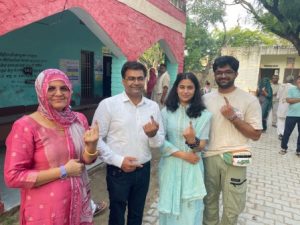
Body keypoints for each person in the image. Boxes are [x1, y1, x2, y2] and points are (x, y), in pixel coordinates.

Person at [4, 69, 99, 225]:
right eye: (51, 88)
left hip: (77, 203)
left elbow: (84, 162)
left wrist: (92, 145)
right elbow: (13, 176)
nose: (58, 93)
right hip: (46, 212)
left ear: (70, 91)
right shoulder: (26, 126)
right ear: (41, 92)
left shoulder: (78, 120)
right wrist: (63, 171)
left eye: (64, 88)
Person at [93, 61, 164, 225]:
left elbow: (158, 143)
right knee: (117, 214)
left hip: (143, 169)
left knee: (137, 214)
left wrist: (152, 135)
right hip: (118, 171)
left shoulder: (153, 107)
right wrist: (119, 161)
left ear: (145, 80)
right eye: (131, 78)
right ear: (123, 80)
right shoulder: (109, 105)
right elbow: (95, 139)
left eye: (140, 78)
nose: (136, 82)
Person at [203, 56, 262, 225]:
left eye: (228, 72)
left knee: (233, 205)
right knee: (209, 201)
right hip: (209, 157)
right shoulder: (205, 99)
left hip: (238, 156)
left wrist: (233, 118)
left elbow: (256, 135)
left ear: (236, 73)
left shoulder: (249, 100)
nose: (223, 76)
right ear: (214, 74)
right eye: (219, 72)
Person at [158, 72, 211, 225]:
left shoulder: (204, 115)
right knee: (169, 206)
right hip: (171, 165)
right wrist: (183, 155)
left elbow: (202, 145)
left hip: (192, 166)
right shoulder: (166, 112)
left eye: (190, 87)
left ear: (196, 90)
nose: (185, 91)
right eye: (182, 87)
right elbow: (160, 141)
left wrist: (192, 141)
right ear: (176, 89)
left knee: (190, 209)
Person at [279, 75, 300, 156]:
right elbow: (288, 100)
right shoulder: (292, 89)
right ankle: (283, 148)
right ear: (297, 81)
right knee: (287, 132)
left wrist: (295, 99)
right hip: (291, 115)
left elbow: (292, 100)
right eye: (299, 80)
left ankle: (298, 150)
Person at [276, 75, 295, 140]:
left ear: (286, 80)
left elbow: (278, 97)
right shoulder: (295, 88)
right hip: (290, 107)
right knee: (286, 121)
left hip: (281, 106)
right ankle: (285, 133)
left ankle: (280, 134)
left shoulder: (282, 86)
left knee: (280, 121)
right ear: (293, 81)